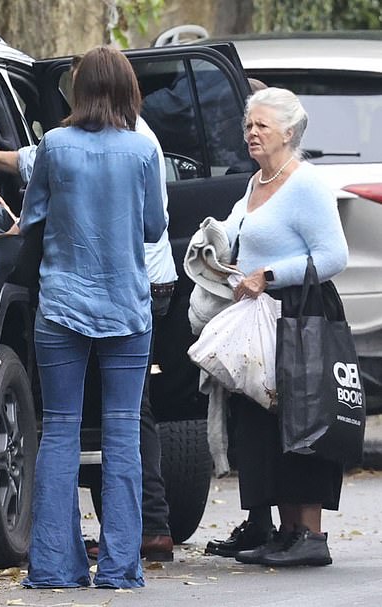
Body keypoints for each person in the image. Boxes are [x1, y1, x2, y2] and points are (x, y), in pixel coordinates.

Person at [16, 46, 165, 589]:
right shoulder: (143, 151)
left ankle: (55, 566)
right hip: (127, 308)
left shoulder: (52, 146)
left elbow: (32, 216)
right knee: (123, 432)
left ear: (79, 92)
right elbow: (153, 228)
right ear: (127, 90)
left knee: (59, 431)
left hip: (60, 307)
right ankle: (121, 568)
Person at [208, 87, 348, 567]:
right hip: (261, 316)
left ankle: (310, 535)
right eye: (248, 125)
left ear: (288, 132)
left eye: (261, 125)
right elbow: (232, 229)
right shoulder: (256, 182)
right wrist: (209, 243)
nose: (251, 133)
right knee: (266, 424)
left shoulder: (305, 183)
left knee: (303, 419)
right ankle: (285, 533)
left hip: (301, 312)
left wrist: (268, 275)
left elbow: (333, 256)